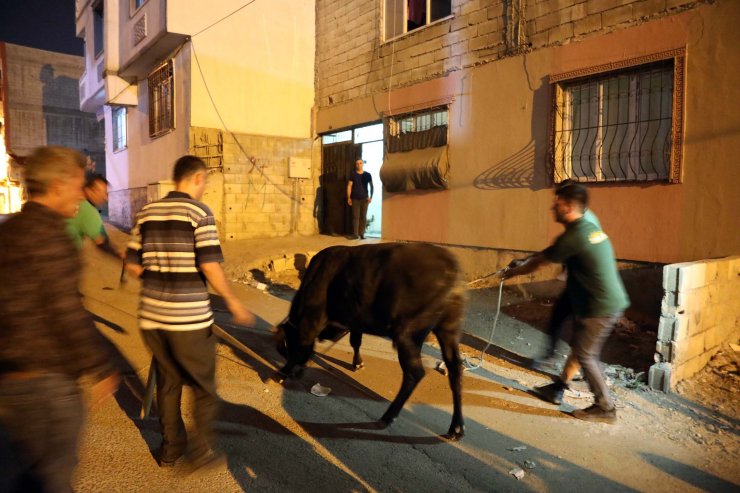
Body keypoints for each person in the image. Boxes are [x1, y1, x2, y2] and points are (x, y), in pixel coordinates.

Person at [0, 146, 119, 492]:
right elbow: (66, 310)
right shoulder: (52, 236)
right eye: (78, 186)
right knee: (51, 481)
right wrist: (100, 365)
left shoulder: (7, 232)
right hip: (47, 387)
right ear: (57, 185)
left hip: (7, 382)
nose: (81, 196)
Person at [125, 155, 255, 470]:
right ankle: (199, 451)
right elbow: (209, 264)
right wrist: (233, 301)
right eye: (205, 181)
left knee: (168, 384)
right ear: (197, 178)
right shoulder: (199, 212)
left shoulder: (145, 213)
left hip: (152, 319)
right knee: (204, 386)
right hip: (189, 320)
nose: (204, 187)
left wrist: (160, 276)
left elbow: (131, 266)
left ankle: (170, 450)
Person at [503, 182, 629, 423]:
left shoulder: (574, 236)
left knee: (585, 355)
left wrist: (514, 272)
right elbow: (549, 253)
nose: (553, 207)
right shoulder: (586, 224)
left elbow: (540, 262)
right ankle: (558, 387)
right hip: (595, 298)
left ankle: (605, 408)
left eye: (557, 202)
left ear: (569, 206)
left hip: (599, 305)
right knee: (581, 347)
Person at [532, 179, 602, 371]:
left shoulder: (584, 221)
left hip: (587, 286)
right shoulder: (583, 217)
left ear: (569, 201)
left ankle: (575, 369)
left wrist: (522, 267)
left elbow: (575, 248)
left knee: (582, 329)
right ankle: (561, 362)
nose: (554, 203)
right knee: (562, 317)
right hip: (581, 282)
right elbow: (564, 248)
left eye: (558, 198)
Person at [65, 173, 120, 259]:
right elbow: (101, 241)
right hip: (66, 257)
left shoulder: (70, 200)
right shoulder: (88, 209)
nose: (106, 198)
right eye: (104, 193)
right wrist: (121, 256)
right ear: (90, 190)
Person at [346, 159, 374, 239]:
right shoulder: (353, 174)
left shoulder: (367, 175)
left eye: (360, 163)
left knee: (363, 217)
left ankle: (362, 234)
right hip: (355, 199)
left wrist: (371, 197)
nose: (359, 165)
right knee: (355, 217)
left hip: (365, 199)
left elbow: (371, 186)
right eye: (357, 163)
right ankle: (355, 234)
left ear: (363, 164)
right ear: (355, 165)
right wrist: (349, 197)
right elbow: (349, 186)